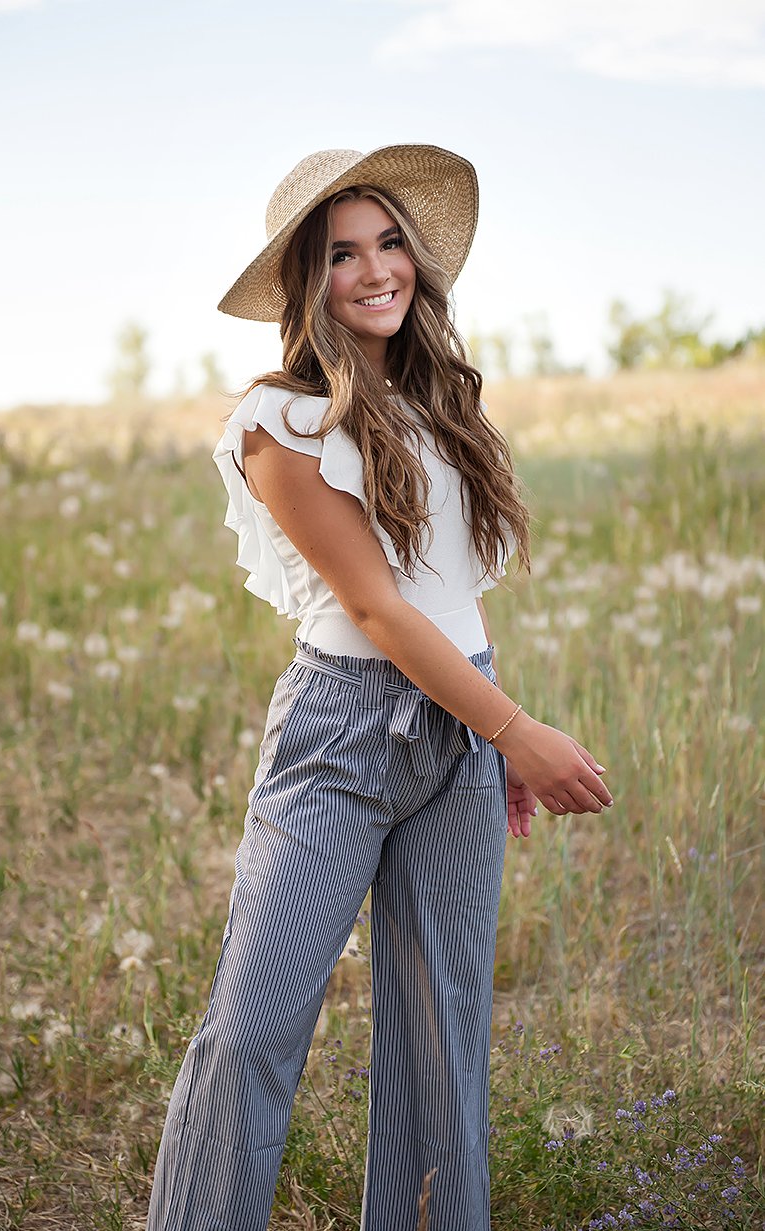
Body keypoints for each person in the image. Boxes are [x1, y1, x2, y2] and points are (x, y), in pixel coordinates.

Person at [145, 144, 613, 1231]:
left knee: (444, 1031)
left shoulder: (441, 404)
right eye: (343, 253)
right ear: (309, 280)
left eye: (390, 242)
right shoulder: (281, 421)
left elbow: (451, 597)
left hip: (462, 726)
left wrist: (488, 737)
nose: (375, 270)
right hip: (340, 735)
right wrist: (520, 731)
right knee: (255, 1027)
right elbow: (379, 610)